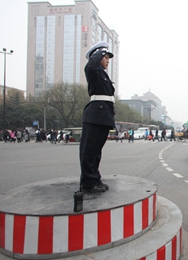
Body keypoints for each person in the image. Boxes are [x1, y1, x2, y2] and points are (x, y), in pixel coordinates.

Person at [79, 41, 115, 193]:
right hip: (95, 114)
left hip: (103, 115)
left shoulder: (102, 73)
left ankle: (94, 178)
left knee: (96, 151)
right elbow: (90, 66)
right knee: (90, 150)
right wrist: (98, 53)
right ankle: (88, 181)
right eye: (105, 57)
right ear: (97, 56)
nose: (107, 60)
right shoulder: (93, 71)